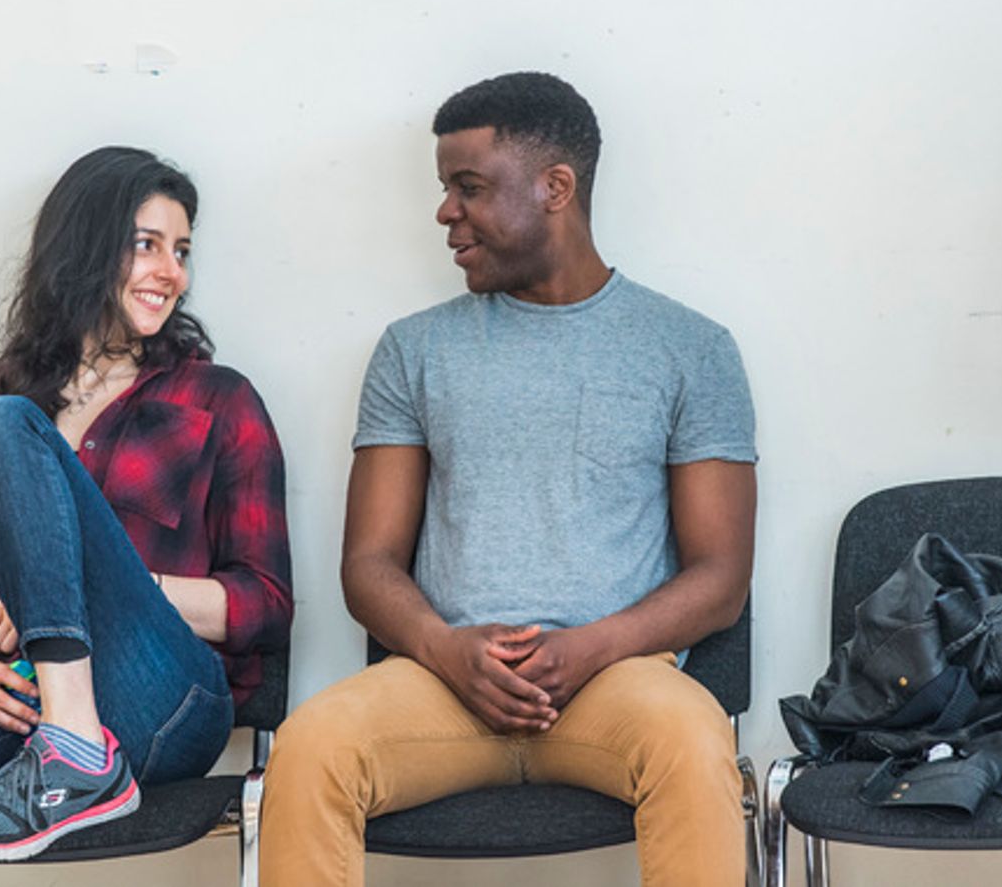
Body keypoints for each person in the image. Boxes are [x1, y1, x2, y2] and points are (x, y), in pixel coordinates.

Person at [259, 72, 757, 887]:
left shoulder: (690, 348)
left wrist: (589, 646)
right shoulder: (414, 351)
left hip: (616, 679)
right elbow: (369, 564)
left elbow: (720, 579)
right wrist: (446, 650)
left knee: (695, 742)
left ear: (556, 187)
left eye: (469, 187)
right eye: (446, 189)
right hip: (440, 682)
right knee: (311, 749)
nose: (445, 212)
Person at [0, 146, 292, 886]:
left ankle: (77, 747)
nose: (171, 272)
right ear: (84, 246)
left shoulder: (218, 401)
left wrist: (80, 584)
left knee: (4, 425)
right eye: (146, 244)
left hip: (160, 700)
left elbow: (264, 606)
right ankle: (66, 744)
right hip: (15, 699)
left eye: (181, 251)